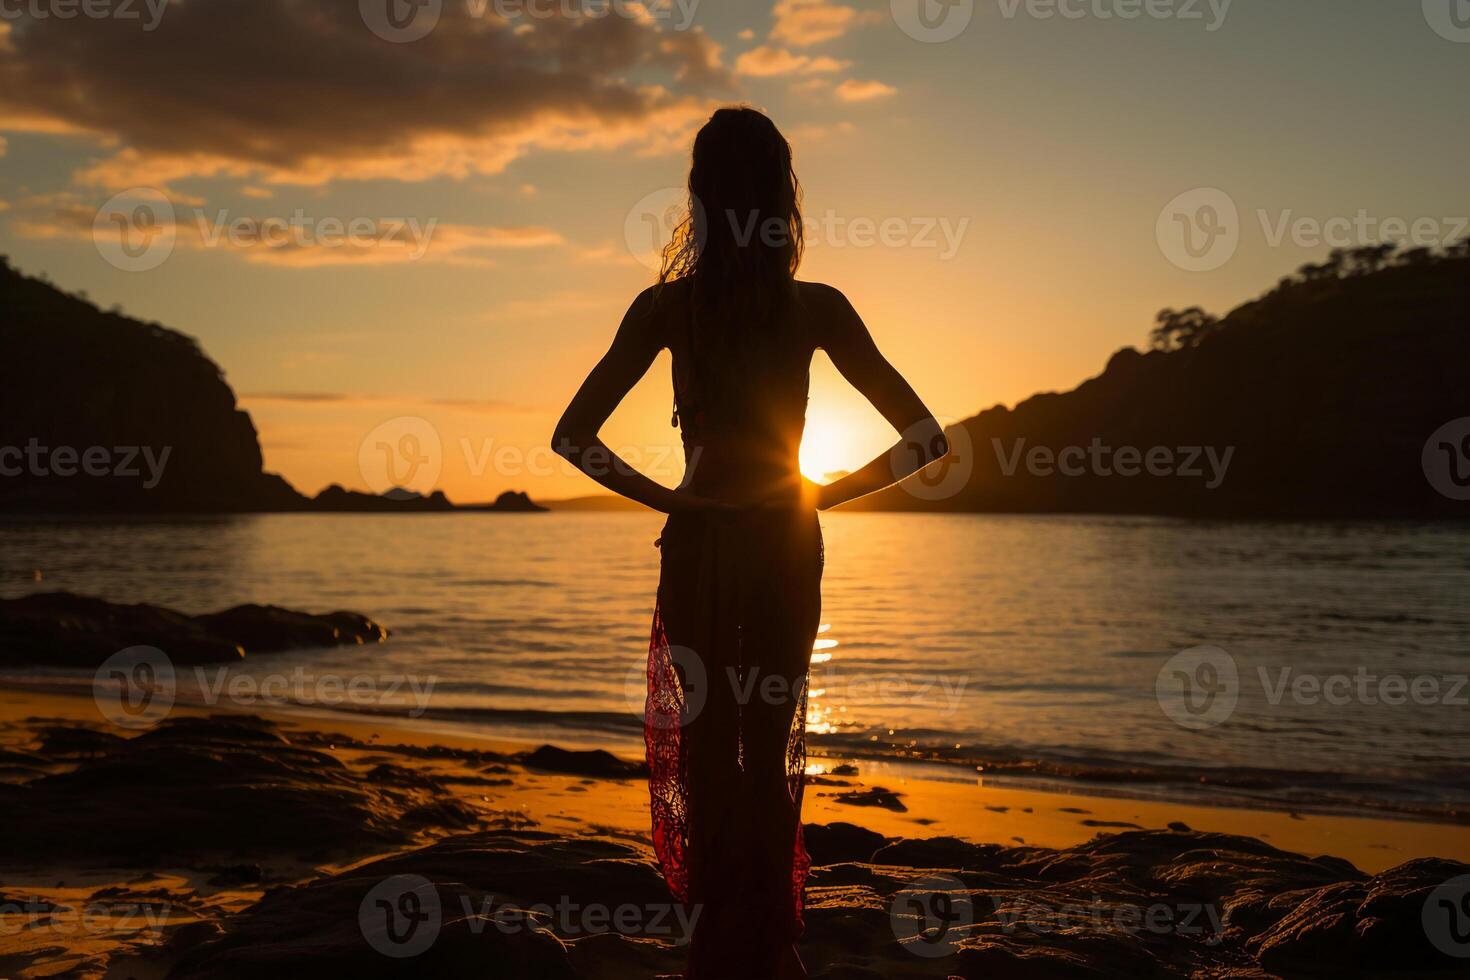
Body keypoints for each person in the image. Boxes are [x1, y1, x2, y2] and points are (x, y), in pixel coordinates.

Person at [553, 105, 949, 979]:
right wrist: (820, 495)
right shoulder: (815, 307)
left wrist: (673, 499)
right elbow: (926, 439)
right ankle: (767, 945)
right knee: (766, 743)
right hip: (782, 544)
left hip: (699, 547)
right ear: (782, 196)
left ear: (699, 194)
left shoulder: (667, 310)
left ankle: (717, 943)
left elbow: (573, 436)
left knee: (703, 741)